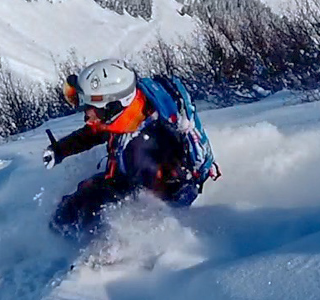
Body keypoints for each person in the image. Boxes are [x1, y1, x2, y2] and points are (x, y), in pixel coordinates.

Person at [43, 58, 203, 237]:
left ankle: (71, 245)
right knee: (74, 206)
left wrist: (117, 244)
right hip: (122, 179)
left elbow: (167, 206)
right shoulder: (131, 112)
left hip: (132, 195)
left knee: (82, 214)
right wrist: (61, 149)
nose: (87, 116)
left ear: (111, 106)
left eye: (90, 108)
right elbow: (96, 132)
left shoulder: (142, 153)